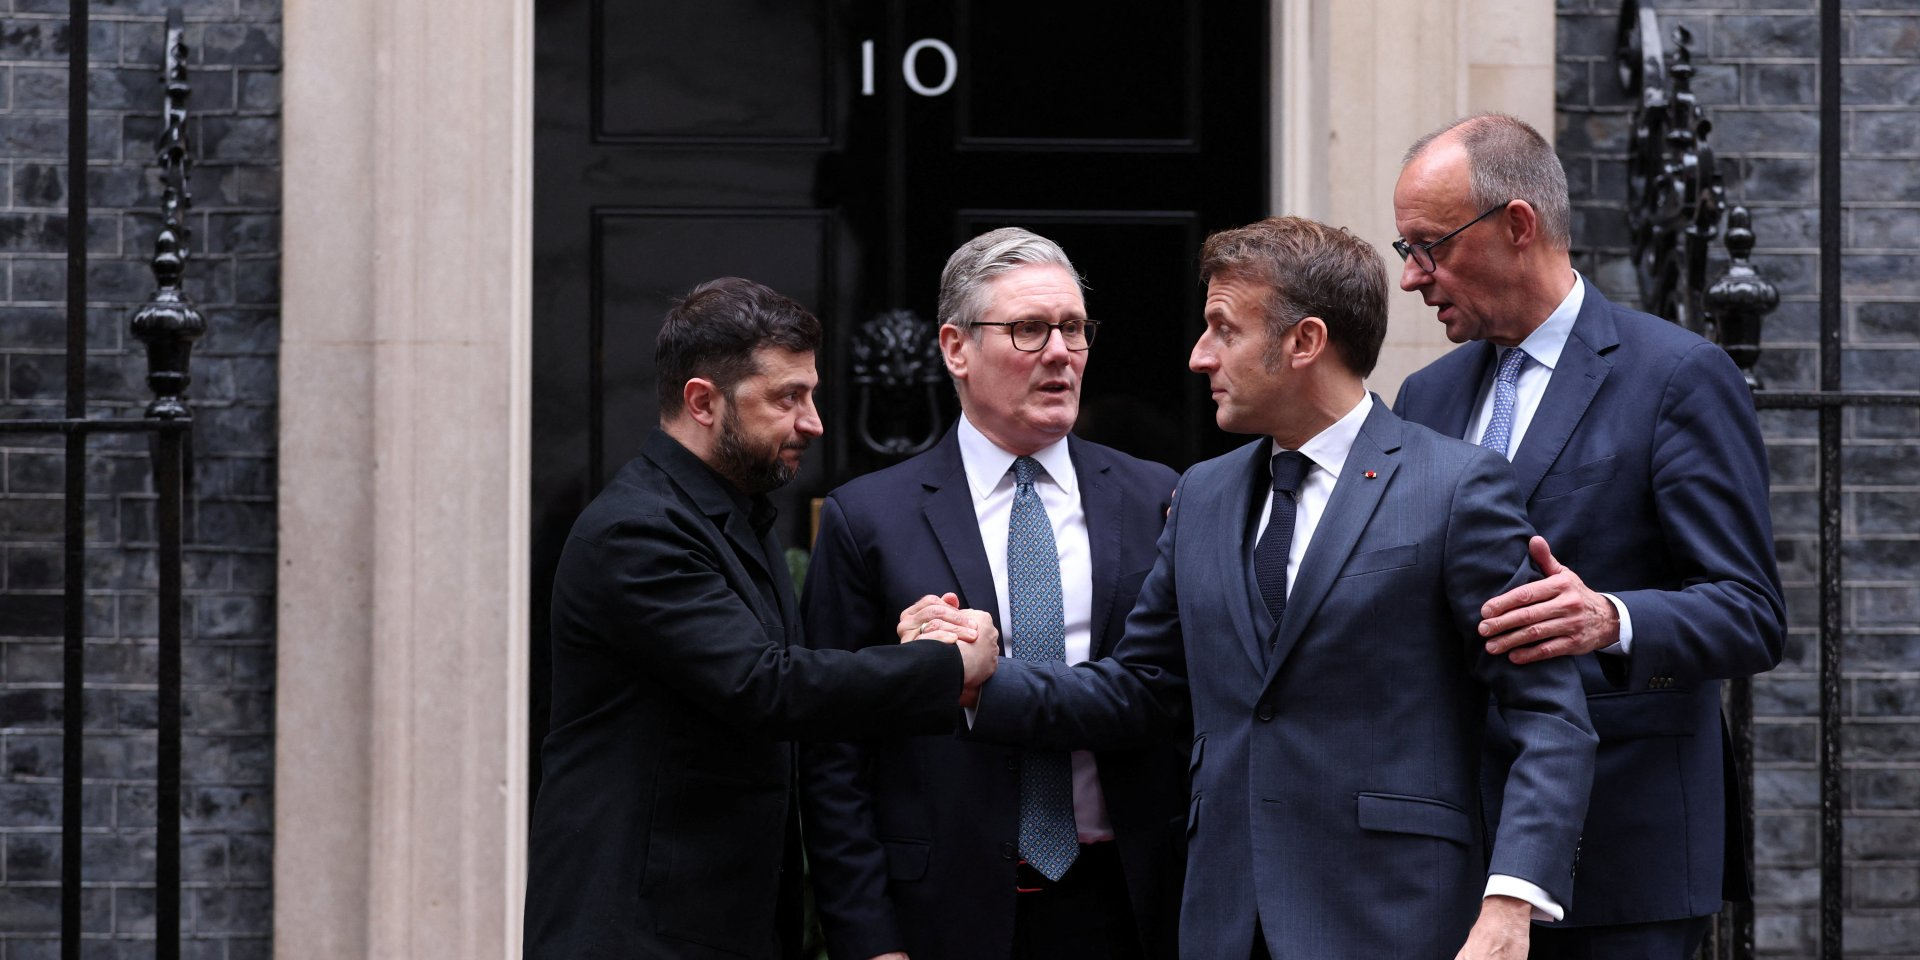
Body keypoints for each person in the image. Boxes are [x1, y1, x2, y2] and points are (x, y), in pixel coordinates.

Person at [926, 217, 1596, 959]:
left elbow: (1549, 717)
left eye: (1223, 329)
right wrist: (979, 681)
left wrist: (1511, 901)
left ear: (1303, 342)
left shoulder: (1455, 486)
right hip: (1225, 921)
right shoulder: (1201, 495)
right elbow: (1143, 688)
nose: (1199, 355)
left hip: (1397, 918)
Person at [1390, 113, 1786, 958]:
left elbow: (1750, 613)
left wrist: (1611, 618)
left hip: (1621, 854)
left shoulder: (1676, 376)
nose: (1413, 277)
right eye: (1406, 250)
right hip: (1455, 856)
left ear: (1518, 224)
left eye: (1430, 247)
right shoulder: (1426, 396)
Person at [522, 277, 1001, 960]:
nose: (814, 422)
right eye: (786, 398)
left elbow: (775, 673)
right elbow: (765, 685)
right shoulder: (638, 530)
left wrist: (911, 640)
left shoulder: (732, 514)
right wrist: (946, 665)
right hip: (637, 933)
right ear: (702, 402)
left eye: (810, 395)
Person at [799, 228, 1186, 960]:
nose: (1060, 352)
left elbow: (1178, 698)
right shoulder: (869, 518)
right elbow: (833, 753)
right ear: (956, 348)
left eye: (1074, 328)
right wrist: (868, 938)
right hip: (945, 910)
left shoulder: (1157, 497)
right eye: (1029, 328)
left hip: (1131, 903)